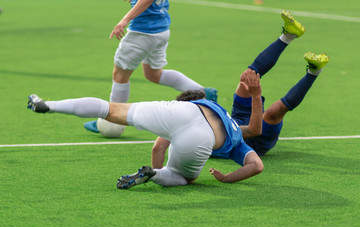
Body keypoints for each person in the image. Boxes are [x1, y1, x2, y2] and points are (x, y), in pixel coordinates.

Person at [27, 68, 263, 189]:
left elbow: (159, 146)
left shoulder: (213, 107)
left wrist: (252, 92)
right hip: (202, 139)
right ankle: (155, 175)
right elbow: (256, 162)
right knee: (185, 178)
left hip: (181, 111)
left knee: (110, 109)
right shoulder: (237, 140)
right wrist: (227, 178)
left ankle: (48, 104)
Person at [151, 11, 330, 170]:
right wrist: (256, 94)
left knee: (246, 79)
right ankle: (314, 72)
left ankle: (289, 35)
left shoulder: (197, 124)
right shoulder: (202, 135)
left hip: (236, 121)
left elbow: (160, 145)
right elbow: (254, 130)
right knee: (275, 112)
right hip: (253, 141)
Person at [83, 0, 217, 135]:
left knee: (120, 75)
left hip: (142, 32)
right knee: (153, 74)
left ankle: (112, 119)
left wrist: (125, 19)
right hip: (161, 30)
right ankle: (203, 92)